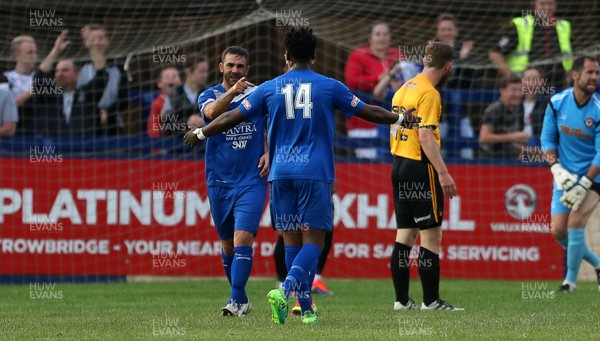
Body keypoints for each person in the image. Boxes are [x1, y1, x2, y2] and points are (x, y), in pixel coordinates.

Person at [184, 27, 420, 324]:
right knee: (314, 242)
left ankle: (306, 309)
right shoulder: (329, 87)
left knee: (291, 240)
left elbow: (231, 116)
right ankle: (285, 290)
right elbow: (368, 111)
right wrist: (401, 118)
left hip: (280, 174)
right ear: (315, 56)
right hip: (313, 172)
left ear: (286, 57)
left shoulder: (269, 88)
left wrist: (201, 133)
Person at [389, 40, 463, 311]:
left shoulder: (403, 89)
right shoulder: (429, 93)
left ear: (424, 61)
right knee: (430, 236)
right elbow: (425, 134)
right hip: (420, 167)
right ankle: (430, 301)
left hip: (398, 164)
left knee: (405, 235)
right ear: (448, 66)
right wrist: (443, 173)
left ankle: (401, 300)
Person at [194, 46, 269, 316]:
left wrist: (270, 151)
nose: (235, 70)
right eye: (230, 65)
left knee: (243, 237)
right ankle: (242, 298)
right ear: (221, 67)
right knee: (227, 244)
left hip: (252, 178)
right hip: (219, 180)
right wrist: (232, 91)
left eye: (240, 66)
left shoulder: (259, 94)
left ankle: (235, 301)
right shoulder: (208, 94)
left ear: (247, 69)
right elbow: (212, 114)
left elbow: (275, 124)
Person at [540, 55, 600, 293]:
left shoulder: (597, 110)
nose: (595, 77)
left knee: (576, 222)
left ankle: (569, 282)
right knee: (558, 231)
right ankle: (598, 264)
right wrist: (555, 168)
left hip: (594, 177)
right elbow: (546, 139)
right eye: (590, 73)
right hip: (564, 175)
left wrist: (585, 182)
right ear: (575, 75)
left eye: (597, 73)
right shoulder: (557, 102)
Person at [30, 30, 109, 136]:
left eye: (65, 70)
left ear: (76, 74)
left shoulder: (87, 93)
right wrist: (56, 50)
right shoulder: (49, 94)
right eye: (57, 71)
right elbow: (38, 77)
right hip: (53, 149)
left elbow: (101, 75)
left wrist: (92, 48)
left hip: (83, 148)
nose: (60, 74)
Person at [488, 0, 572, 89]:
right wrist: (512, 77)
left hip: (560, 84)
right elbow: (494, 53)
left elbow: (573, 55)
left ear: (556, 5)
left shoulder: (564, 26)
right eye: (543, 4)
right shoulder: (520, 24)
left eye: (550, 3)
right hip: (527, 87)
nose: (547, 7)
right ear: (534, 4)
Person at [78, 24, 126, 135]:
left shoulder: (117, 68)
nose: (97, 42)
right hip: (86, 122)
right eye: (93, 39)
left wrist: (107, 110)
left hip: (112, 123)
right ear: (86, 43)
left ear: (107, 41)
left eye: (101, 38)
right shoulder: (82, 68)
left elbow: (124, 99)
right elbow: (82, 96)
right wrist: (97, 110)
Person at [478, 74, 529, 158]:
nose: (518, 94)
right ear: (502, 91)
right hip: (491, 162)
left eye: (520, 90)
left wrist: (526, 150)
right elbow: (483, 138)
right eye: (514, 90)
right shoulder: (495, 109)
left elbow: (508, 143)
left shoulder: (518, 109)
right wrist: (513, 137)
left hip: (510, 160)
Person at [161, 54, 208, 134]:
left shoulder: (209, 93)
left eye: (206, 71)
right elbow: (165, 124)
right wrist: (186, 123)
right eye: (202, 71)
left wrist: (204, 123)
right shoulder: (173, 94)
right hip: (177, 144)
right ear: (189, 72)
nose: (205, 75)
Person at [4, 35, 37, 133]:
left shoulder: (38, 77)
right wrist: (30, 92)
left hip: (36, 131)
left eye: (35, 52)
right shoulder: (6, 78)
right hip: (14, 132)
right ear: (17, 55)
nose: (34, 56)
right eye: (30, 52)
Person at [147, 67, 182, 137]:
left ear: (181, 81)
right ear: (159, 83)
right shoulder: (156, 104)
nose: (171, 79)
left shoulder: (186, 99)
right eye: (167, 77)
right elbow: (153, 130)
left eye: (174, 76)